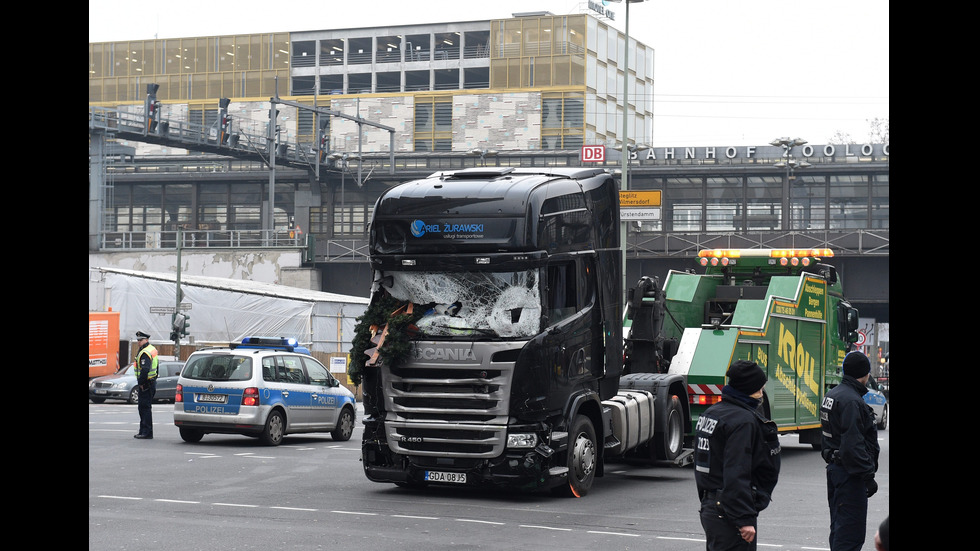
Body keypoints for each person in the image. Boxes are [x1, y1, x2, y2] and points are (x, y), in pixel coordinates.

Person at [695, 360, 781, 550]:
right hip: (730, 511)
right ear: (749, 388)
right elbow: (737, 472)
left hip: (712, 506)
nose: (761, 394)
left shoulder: (711, 413)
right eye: (760, 389)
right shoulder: (742, 421)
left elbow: (703, 467)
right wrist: (744, 519)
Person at [820, 351, 880, 551]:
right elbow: (853, 445)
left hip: (835, 469)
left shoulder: (833, 395)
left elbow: (828, 437)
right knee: (850, 534)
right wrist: (867, 476)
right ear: (865, 374)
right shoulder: (852, 401)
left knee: (839, 528)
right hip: (850, 475)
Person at [133, 331, 159, 439]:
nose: (139, 342)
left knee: (144, 408)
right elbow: (157, 367)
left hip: (146, 384)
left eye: (141, 340)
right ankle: (143, 430)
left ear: (146, 340)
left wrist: (141, 383)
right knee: (144, 408)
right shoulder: (150, 349)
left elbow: (145, 370)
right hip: (150, 382)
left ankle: (146, 432)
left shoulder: (145, 353)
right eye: (138, 340)